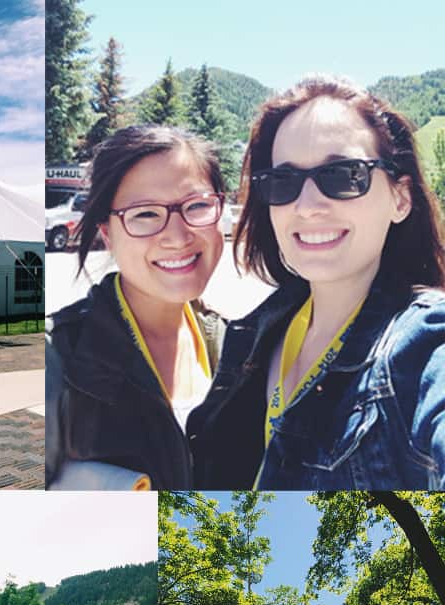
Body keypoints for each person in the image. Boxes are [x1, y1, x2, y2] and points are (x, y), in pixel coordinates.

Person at [189, 75, 445, 489]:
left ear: (400, 198)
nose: (307, 206)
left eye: (344, 175)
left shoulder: (423, 345)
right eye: (283, 182)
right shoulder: (257, 333)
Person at [46, 124, 227, 490]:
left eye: (197, 206)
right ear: (108, 233)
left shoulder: (234, 344)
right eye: (144, 214)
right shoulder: (56, 357)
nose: (177, 237)